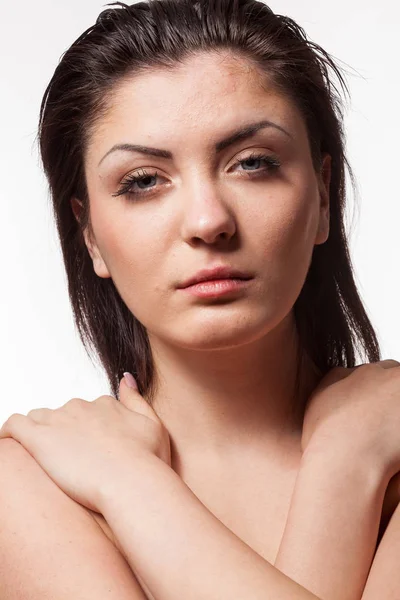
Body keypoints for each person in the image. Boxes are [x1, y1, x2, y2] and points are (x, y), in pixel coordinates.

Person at [0, 0, 399, 598]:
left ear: (323, 194)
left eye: (253, 163)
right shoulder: (29, 485)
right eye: (143, 181)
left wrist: (348, 461)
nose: (209, 221)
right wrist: (131, 480)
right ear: (90, 237)